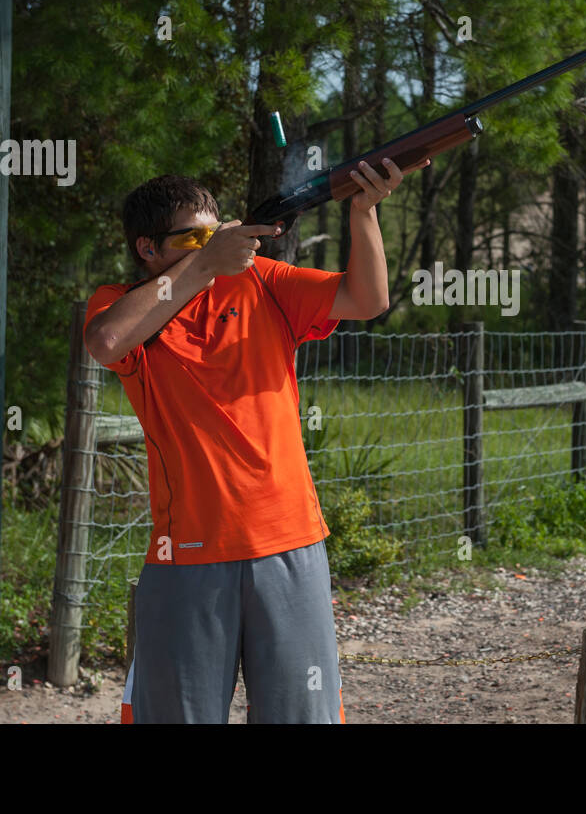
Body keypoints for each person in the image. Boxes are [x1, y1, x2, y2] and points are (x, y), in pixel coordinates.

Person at [84, 157, 425, 723]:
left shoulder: (263, 282)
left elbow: (367, 301)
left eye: (215, 232)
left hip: (290, 542)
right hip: (186, 554)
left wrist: (363, 212)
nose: (211, 244)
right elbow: (105, 339)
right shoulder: (122, 302)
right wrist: (203, 266)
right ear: (148, 248)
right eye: (193, 236)